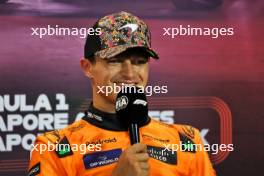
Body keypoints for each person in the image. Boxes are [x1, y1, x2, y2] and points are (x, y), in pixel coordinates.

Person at [28, 11, 216, 176]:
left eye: (139, 61)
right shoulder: (55, 147)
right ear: (87, 67)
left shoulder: (186, 140)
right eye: (115, 60)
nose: (129, 73)